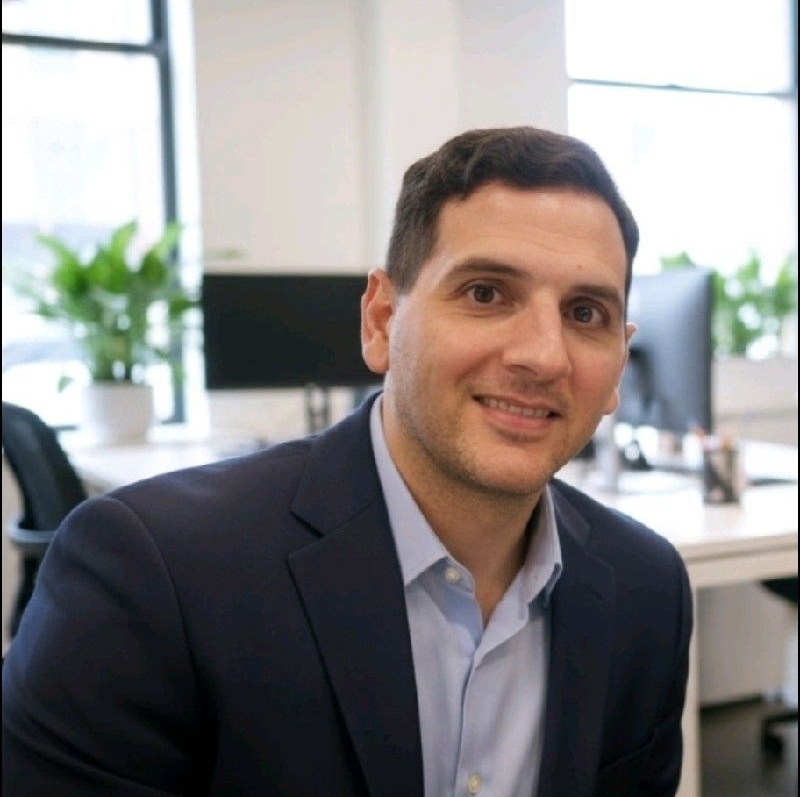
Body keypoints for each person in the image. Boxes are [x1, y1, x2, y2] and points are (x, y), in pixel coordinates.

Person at [3, 127, 692, 797]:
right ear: (381, 321)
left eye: (585, 313)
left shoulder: (647, 590)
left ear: (618, 364)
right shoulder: (153, 574)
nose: (543, 355)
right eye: (485, 293)